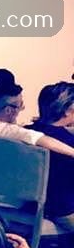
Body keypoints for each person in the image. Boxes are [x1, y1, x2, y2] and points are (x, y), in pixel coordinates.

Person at [0, 70, 74, 157]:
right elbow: (38, 138)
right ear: (8, 110)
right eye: (20, 105)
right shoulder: (5, 130)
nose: (22, 108)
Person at [26, 82, 74, 232]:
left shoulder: (26, 133)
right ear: (67, 110)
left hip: (30, 205)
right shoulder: (68, 142)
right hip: (64, 211)